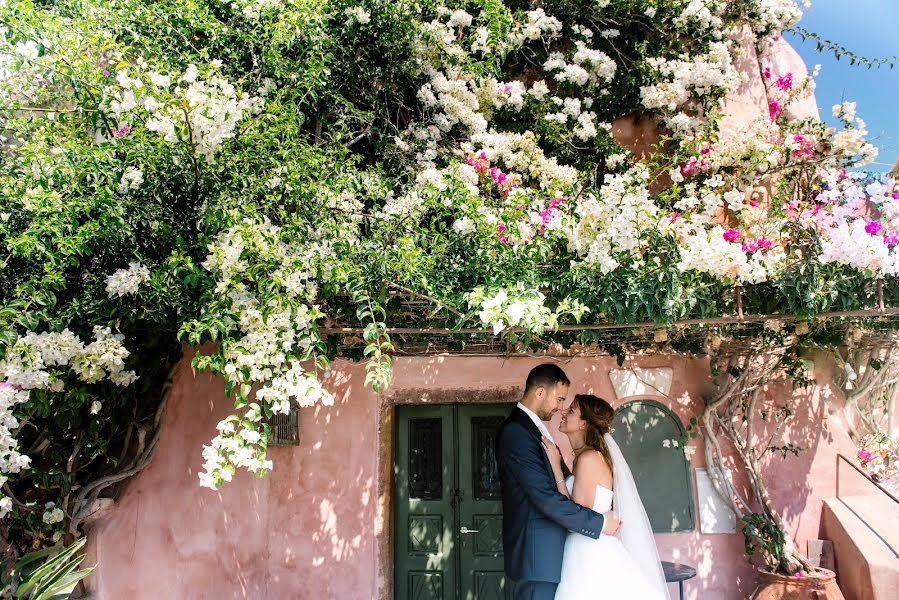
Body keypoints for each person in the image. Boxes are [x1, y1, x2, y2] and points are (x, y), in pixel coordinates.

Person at [496, 364, 621, 600]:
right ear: (541, 392)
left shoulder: (533, 430)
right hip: (538, 558)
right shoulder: (517, 432)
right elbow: (543, 497)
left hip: (553, 558)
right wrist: (600, 523)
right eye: (560, 399)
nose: (560, 408)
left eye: (567, 405)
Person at [545, 394, 670, 600]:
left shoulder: (589, 458)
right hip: (584, 549)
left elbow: (574, 519)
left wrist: (556, 468)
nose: (563, 412)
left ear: (584, 423)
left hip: (589, 552)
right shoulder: (584, 457)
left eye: (572, 410)